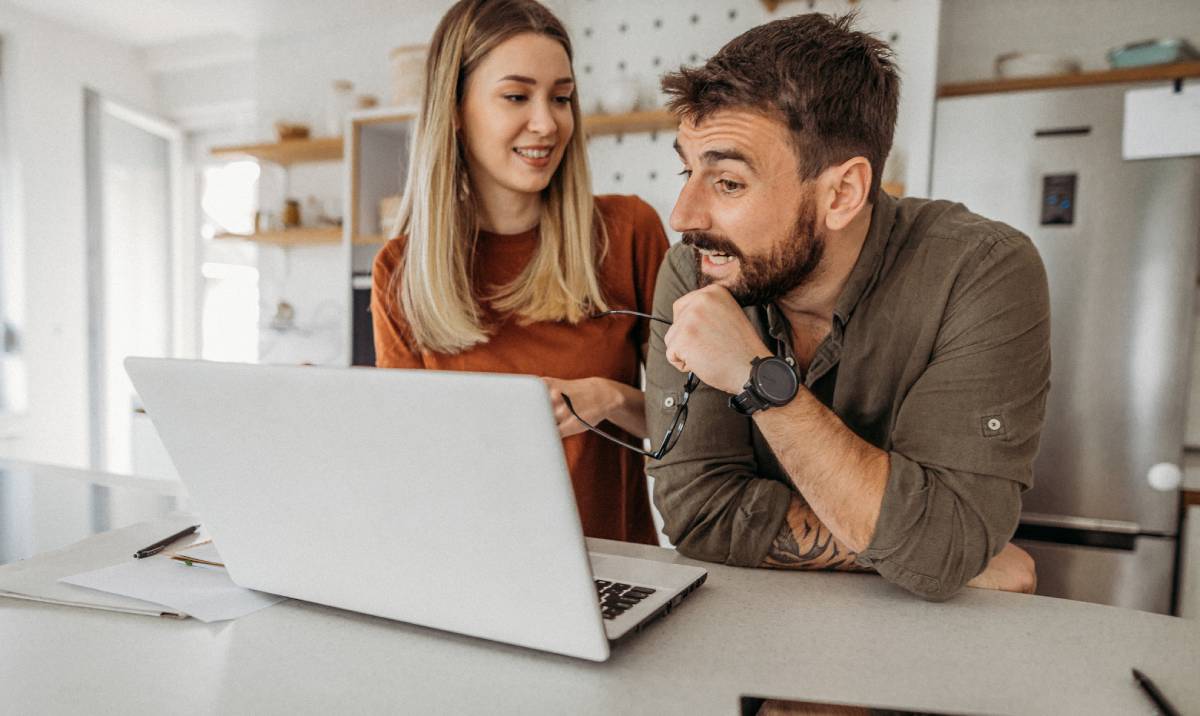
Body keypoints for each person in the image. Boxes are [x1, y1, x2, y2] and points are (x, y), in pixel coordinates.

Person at [644, 13, 1048, 599]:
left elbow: (948, 540)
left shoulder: (981, 271)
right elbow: (699, 514)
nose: (683, 216)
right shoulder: (699, 269)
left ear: (842, 193)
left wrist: (756, 379)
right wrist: (922, 550)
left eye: (728, 183)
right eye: (688, 170)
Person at [371, 0, 668, 544]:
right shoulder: (399, 271)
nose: (546, 122)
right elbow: (409, 463)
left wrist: (611, 398)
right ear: (456, 110)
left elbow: (700, 425)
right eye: (516, 96)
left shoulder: (629, 232)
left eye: (561, 98)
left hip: (614, 574)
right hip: (468, 568)